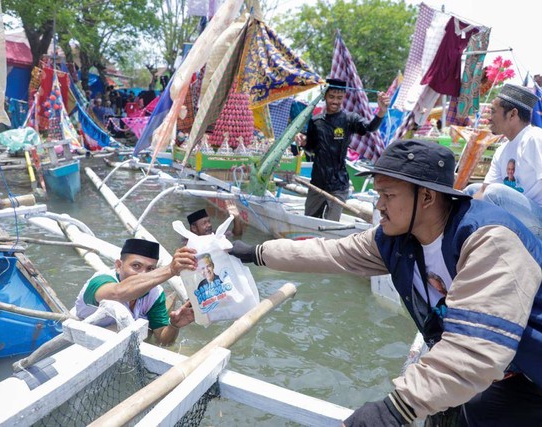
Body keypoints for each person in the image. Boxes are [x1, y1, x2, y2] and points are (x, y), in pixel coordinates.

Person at [229, 139, 542, 426]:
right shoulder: (398, 241)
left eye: (389, 195)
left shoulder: (488, 240)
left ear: (429, 196)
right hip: (505, 372)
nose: (379, 205)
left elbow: (475, 348)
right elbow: (328, 252)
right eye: (378, 194)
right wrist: (254, 252)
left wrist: (397, 408)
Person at [294, 79, 390, 221]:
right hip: (317, 182)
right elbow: (311, 150)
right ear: (325, 96)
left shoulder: (349, 119)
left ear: (344, 97)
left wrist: (381, 111)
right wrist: (303, 142)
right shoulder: (316, 121)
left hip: (338, 185)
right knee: (309, 220)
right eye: (331, 97)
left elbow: (370, 127)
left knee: (332, 224)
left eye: (339, 98)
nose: (335, 101)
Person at [75, 238, 197, 346]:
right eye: (136, 266)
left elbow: (163, 341)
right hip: (82, 344)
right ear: (118, 265)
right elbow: (117, 293)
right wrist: (170, 269)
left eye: (150, 269)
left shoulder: (155, 293)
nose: (143, 274)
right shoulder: (100, 281)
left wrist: (174, 325)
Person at [464, 83, 542, 237]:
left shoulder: (534, 138)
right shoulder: (502, 150)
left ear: (512, 114)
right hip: (522, 215)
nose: (488, 118)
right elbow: (482, 191)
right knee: (470, 191)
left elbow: (492, 193)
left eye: (493, 112)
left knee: (495, 193)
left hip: (538, 219)